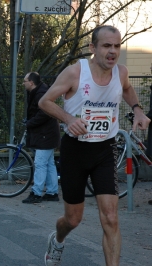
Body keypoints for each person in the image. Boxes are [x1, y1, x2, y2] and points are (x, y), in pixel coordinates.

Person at [38, 25, 151, 266]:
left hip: (105, 150)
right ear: (93, 48)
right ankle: (57, 240)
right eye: (107, 46)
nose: (113, 52)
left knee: (111, 217)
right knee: (73, 219)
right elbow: (44, 101)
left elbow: (128, 89)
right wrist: (69, 119)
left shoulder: (121, 73)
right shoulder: (75, 73)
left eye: (117, 46)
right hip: (75, 151)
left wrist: (137, 110)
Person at [22, 72, 61, 204]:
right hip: (46, 134)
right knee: (49, 164)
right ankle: (52, 192)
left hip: (46, 135)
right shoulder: (40, 92)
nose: (23, 83)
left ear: (31, 82)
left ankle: (36, 193)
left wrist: (29, 123)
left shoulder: (41, 94)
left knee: (40, 164)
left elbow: (44, 114)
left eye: (25, 81)